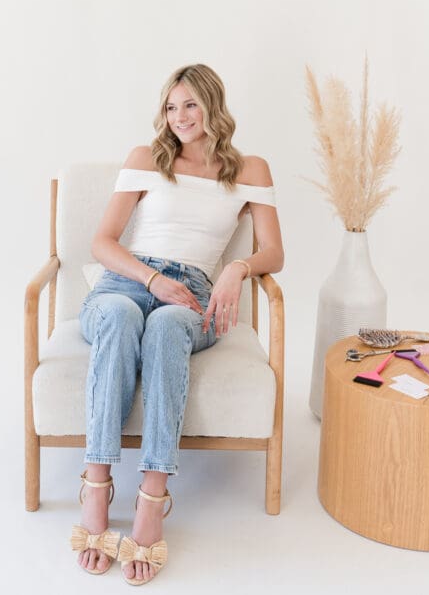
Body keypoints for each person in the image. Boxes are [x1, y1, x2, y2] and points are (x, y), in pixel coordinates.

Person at [69, 64, 284, 585]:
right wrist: (150, 279)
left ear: (212, 104)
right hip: (125, 283)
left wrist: (236, 267)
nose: (180, 117)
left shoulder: (249, 169)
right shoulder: (146, 159)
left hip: (193, 294)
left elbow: (273, 252)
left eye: (189, 104)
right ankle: (95, 488)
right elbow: (102, 243)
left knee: (166, 328)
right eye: (170, 107)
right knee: (120, 317)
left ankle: (152, 500)